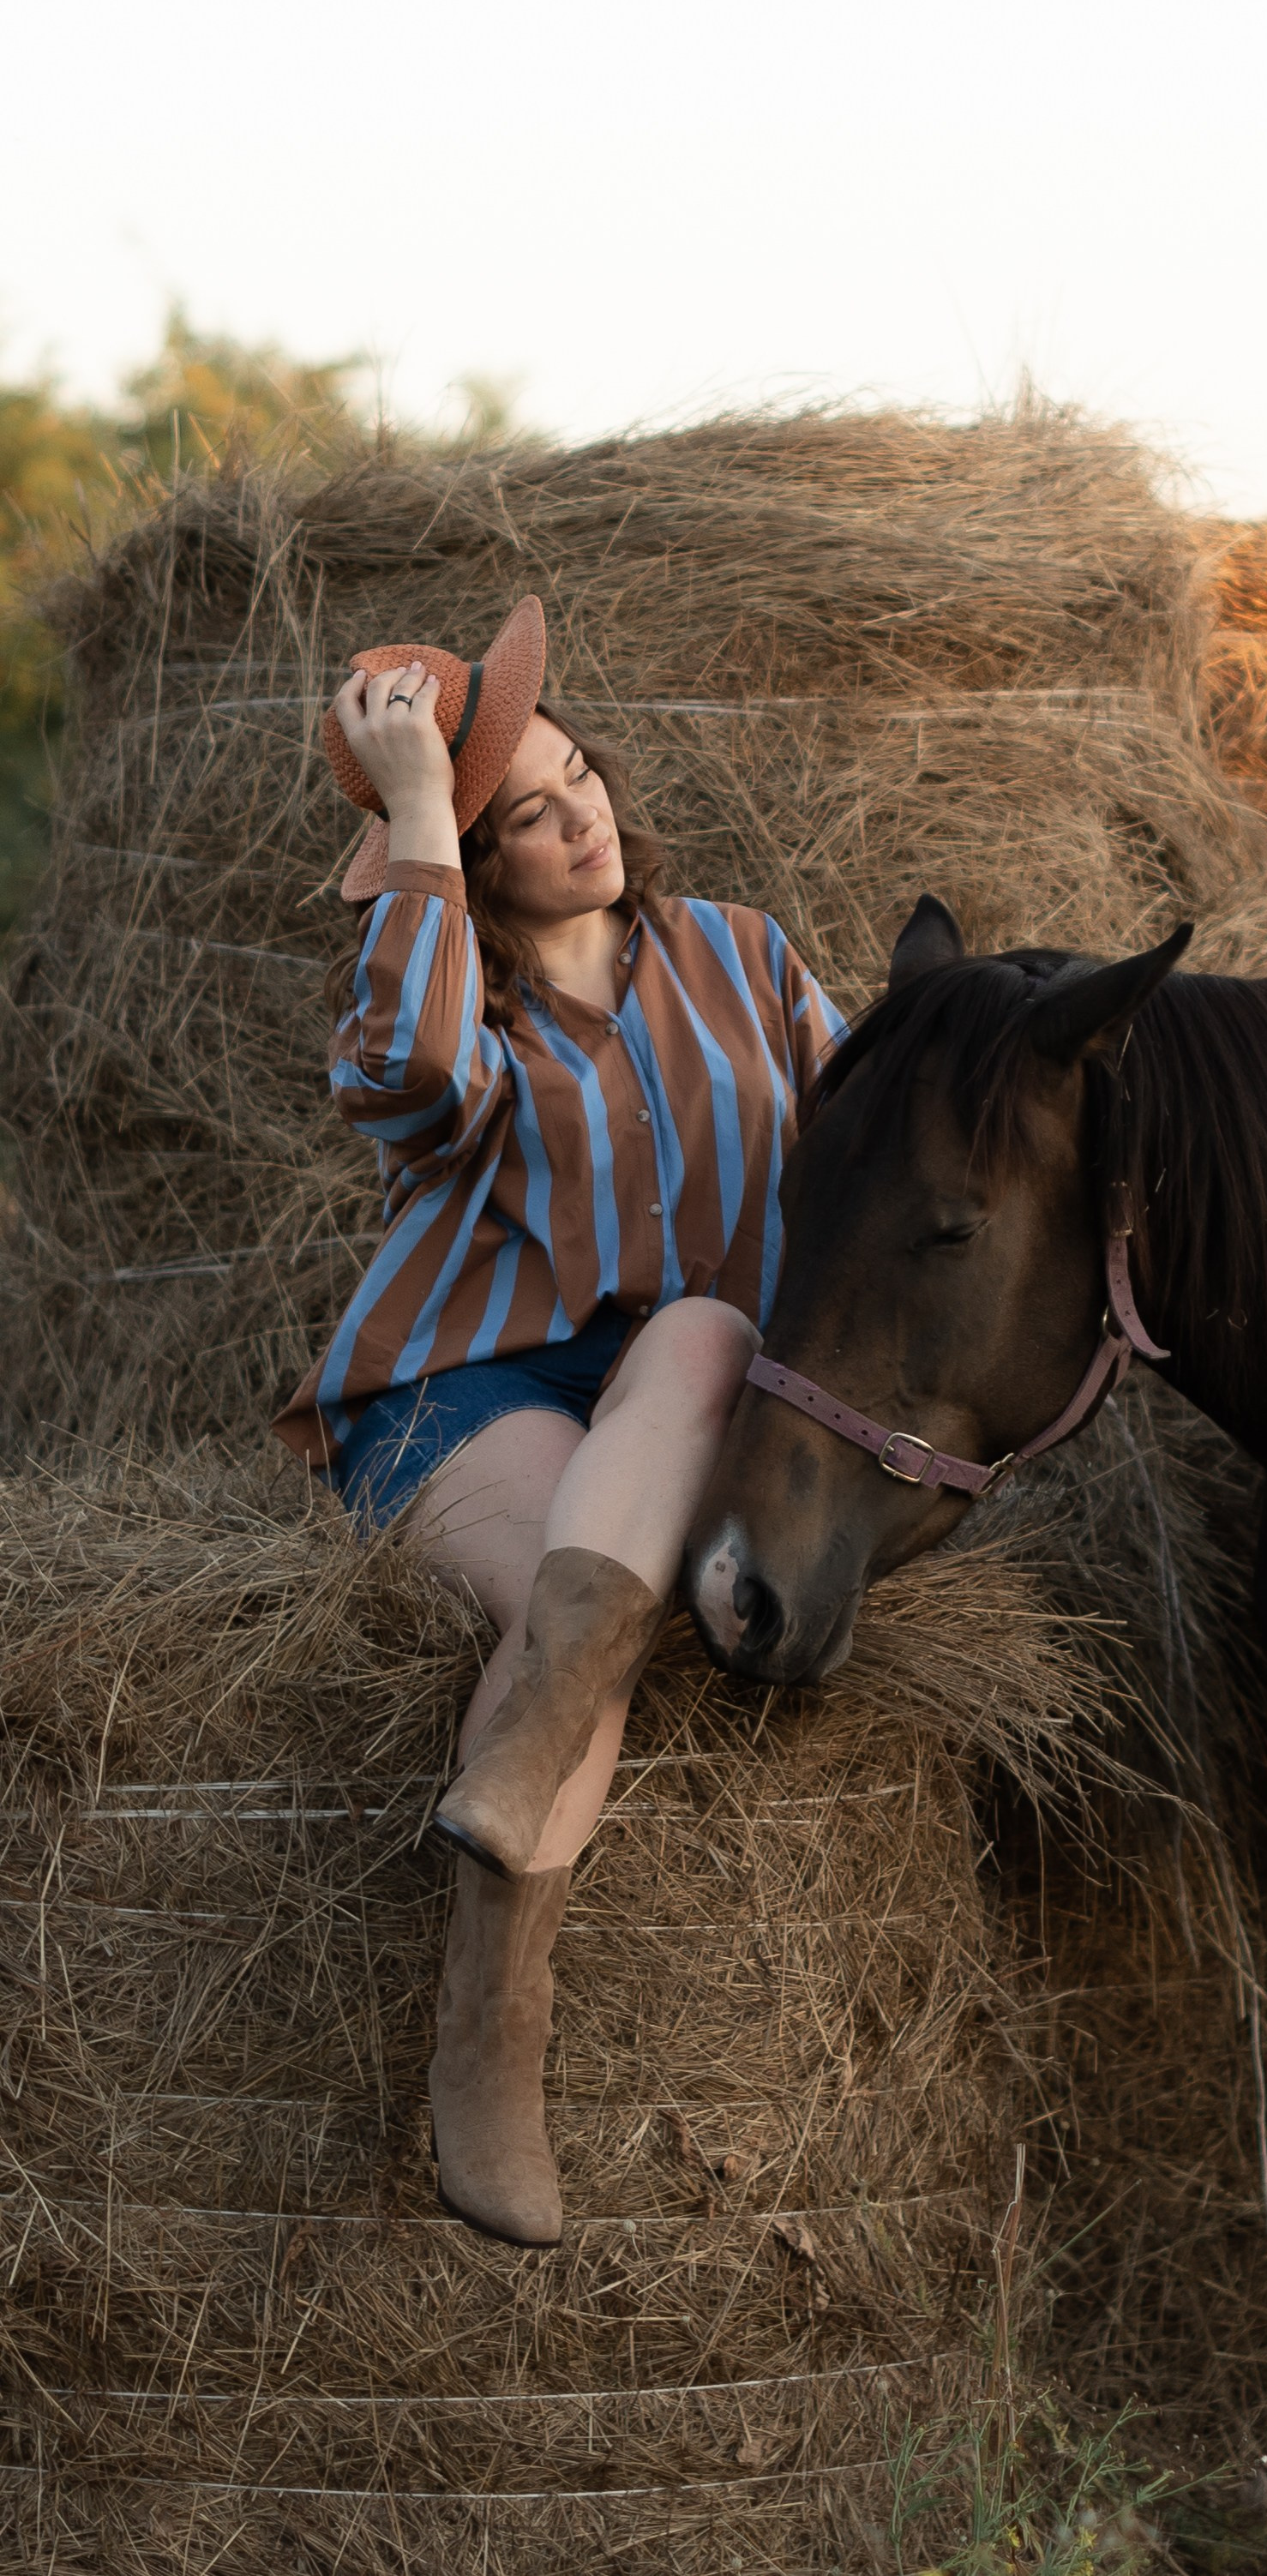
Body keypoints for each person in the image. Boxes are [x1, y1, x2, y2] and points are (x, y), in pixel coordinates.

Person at [273, 597, 842, 2248]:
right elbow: (414, 1083)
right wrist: (421, 833)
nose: (581, 815)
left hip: (688, 1390)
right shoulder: (441, 991)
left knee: (708, 1325)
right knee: (556, 1620)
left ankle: (520, 1775)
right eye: (527, 811)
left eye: (581, 776)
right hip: (471, 1390)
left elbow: (878, 1146)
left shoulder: (747, 955)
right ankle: (487, 2046)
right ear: (475, 848)